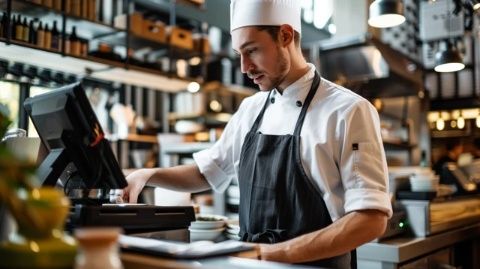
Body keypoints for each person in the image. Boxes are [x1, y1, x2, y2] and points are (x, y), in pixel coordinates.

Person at [124, 0, 392, 268]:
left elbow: (370, 219)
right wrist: (148, 175)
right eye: (240, 53)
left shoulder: (348, 110)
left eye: (252, 50)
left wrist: (269, 254)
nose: (244, 67)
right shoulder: (251, 108)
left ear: (285, 35)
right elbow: (207, 171)